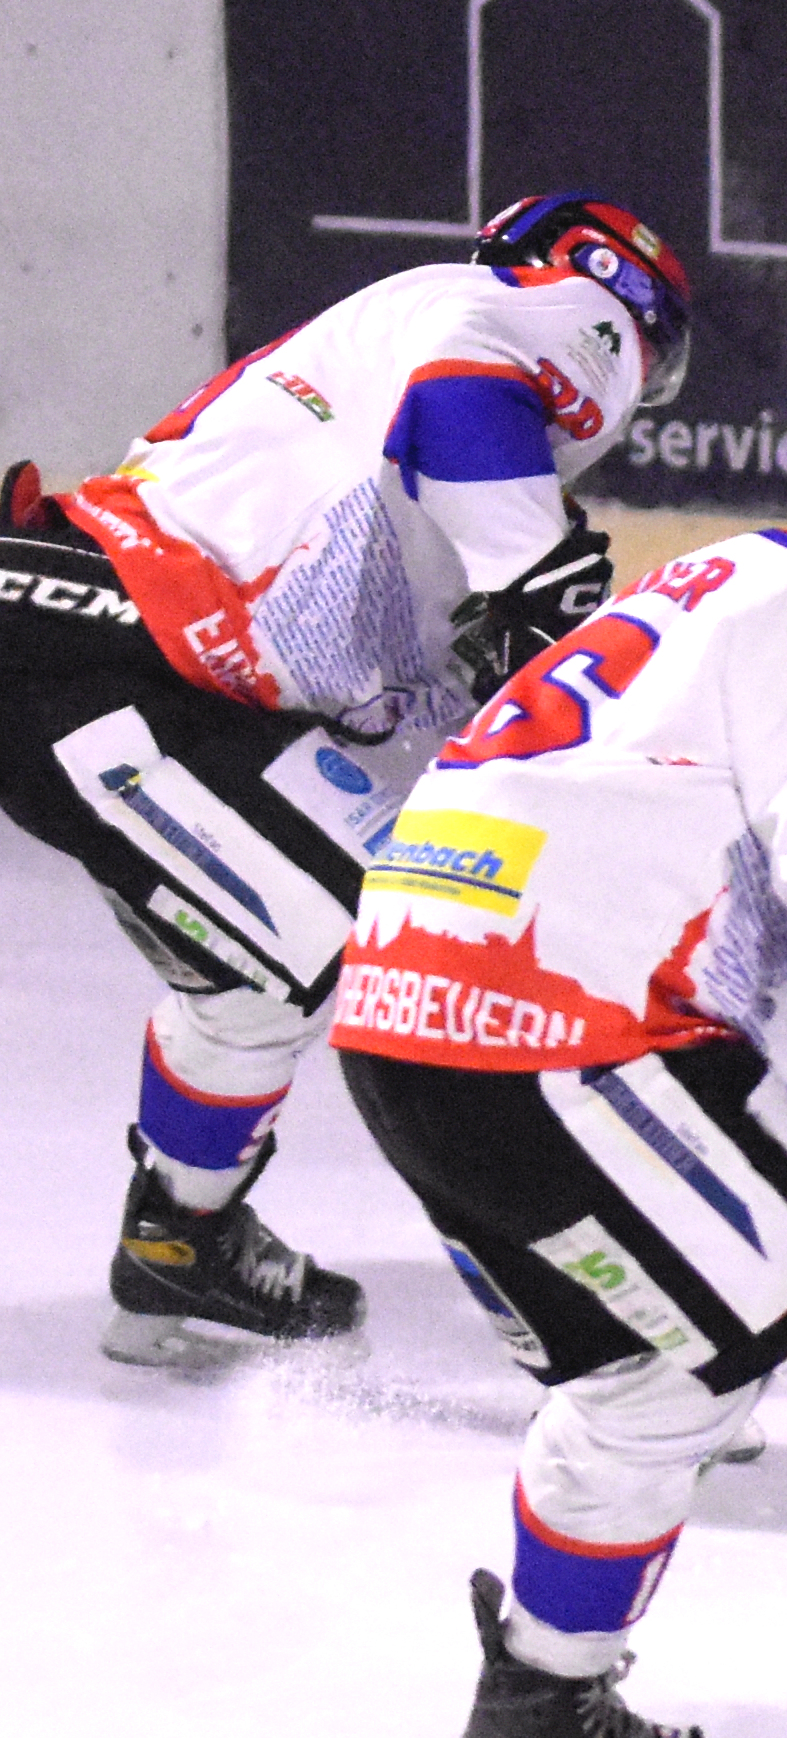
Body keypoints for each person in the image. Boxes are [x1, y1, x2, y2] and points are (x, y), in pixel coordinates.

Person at [328, 338, 787, 1738]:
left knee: (648, 1373)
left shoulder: (717, 577)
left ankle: (540, 1701)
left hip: (401, 1021)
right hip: (568, 1031)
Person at [0, 192, 679, 1367]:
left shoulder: (405, 423)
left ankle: (180, 1242)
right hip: (103, 654)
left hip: (132, 669)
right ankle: (605, 1344)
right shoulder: (538, 310)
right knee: (415, 966)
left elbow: (459, 746)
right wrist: (534, 579)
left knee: (265, 978)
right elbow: (474, 390)